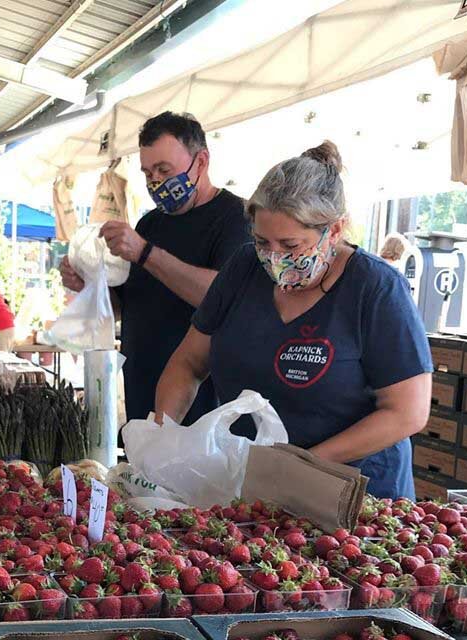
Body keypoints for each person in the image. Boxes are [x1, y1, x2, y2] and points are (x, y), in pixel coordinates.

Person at [155, 141, 432, 499]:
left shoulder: (375, 289)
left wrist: (299, 465)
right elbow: (189, 362)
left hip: (353, 498)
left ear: (334, 230)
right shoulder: (243, 268)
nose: (273, 258)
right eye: (261, 241)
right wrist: (161, 435)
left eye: (290, 246)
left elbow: (407, 413)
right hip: (253, 486)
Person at [60, 112, 251, 425]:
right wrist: (89, 285)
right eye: (148, 173)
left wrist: (146, 253)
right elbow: (124, 306)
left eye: (165, 170)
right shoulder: (150, 223)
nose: (156, 182)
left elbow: (221, 296)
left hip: (201, 403)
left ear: (201, 162)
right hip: (142, 392)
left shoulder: (235, 218)